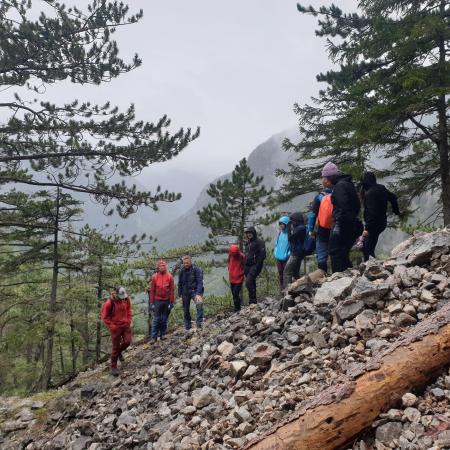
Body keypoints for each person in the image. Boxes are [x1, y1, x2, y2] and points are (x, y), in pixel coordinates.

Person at [321, 162, 361, 273]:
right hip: (350, 225)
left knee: (335, 252)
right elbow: (357, 205)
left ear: (329, 177)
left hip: (342, 225)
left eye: (324, 177)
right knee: (343, 252)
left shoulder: (339, 187)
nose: (323, 180)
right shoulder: (348, 184)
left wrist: (338, 224)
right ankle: (348, 275)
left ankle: (338, 279)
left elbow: (343, 207)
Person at [360, 172, 400, 261]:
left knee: (367, 249)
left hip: (373, 225)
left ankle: (370, 269)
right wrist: (396, 210)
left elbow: (372, 212)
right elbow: (393, 197)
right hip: (382, 223)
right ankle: (371, 267)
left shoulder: (370, 193)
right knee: (368, 246)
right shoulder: (381, 188)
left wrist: (367, 228)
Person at [101, 286, 132, 376]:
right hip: (116, 327)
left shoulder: (126, 299)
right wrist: (112, 326)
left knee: (127, 341)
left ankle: (119, 352)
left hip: (125, 325)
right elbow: (105, 317)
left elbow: (129, 310)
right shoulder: (109, 302)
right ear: (116, 293)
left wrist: (129, 320)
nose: (123, 298)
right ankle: (113, 367)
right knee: (115, 347)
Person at [149, 260, 174, 343]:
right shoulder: (155, 277)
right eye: (160, 266)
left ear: (165, 267)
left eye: (163, 266)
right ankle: (154, 337)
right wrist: (152, 303)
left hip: (166, 300)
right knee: (156, 319)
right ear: (158, 267)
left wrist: (171, 302)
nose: (162, 267)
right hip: (157, 300)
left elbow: (171, 291)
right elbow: (152, 290)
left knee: (164, 319)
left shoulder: (169, 277)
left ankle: (163, 334)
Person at [178, 255, 204, 331]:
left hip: (195, 291)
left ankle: (199, 323)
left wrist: (198, 294)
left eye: (187, 263)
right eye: (184, 263)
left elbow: (200, 282)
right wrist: (180, 296)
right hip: (185, 293)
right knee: (185, 310)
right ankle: (188, 326)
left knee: (199, 304)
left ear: (190, 262)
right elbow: (179, 284)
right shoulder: (181, 271)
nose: (186, 264)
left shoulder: (196, 269)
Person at [311, 184, 333, 272]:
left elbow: (312, 215)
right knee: (335, 253)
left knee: (321, 255)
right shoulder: (336, 195)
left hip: (322, 229)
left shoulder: (319, 197)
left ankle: (323, 276)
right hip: (334, 228)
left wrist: (310, 230)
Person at [283, 212, 307, 288]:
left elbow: (290, 238)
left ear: (296, 220)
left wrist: (289, 228)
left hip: (296, 254)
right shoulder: (301, 228)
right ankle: (299, 288)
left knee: (287, 272)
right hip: (298, 253)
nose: (291, 223)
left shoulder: (300, 228)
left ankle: (287, 291)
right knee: (295, 273)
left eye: (292, 221)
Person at [244, 226, 266, 304]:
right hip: (247, 266)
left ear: (254, 233)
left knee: (248, 282)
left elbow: (263, 255)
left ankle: (253, 300)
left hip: (254, 266)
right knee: (251, 283)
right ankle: (252, 302)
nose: (248, 235)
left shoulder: (259, 242)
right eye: (247, 233)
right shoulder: (247, 243)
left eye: (250, 233)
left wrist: (257, 266)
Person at [273, 216, 291, 289]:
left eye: (282, 224)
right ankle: (282, 289)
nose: (281, 225)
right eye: (280, 224)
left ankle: (287, 289)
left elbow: (291, 246)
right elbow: (276, 244)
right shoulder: (280, 233)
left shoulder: (290, 234)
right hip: (278, 257)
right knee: (280, 273)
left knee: (285, 273)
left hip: (286, 258)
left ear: (286, 224)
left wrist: (288, 254)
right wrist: (275, 252)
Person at [228, 244, 245, 312]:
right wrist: (229, 269)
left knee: (235, 294)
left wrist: (242, 273)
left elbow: (245, 265)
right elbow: (229, 262)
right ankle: (237, 307)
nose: (233, 255)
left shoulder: (241, 256)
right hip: (232, 278)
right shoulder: (230, 255)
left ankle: (237, 309)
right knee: (234, 294)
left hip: (239, 278)